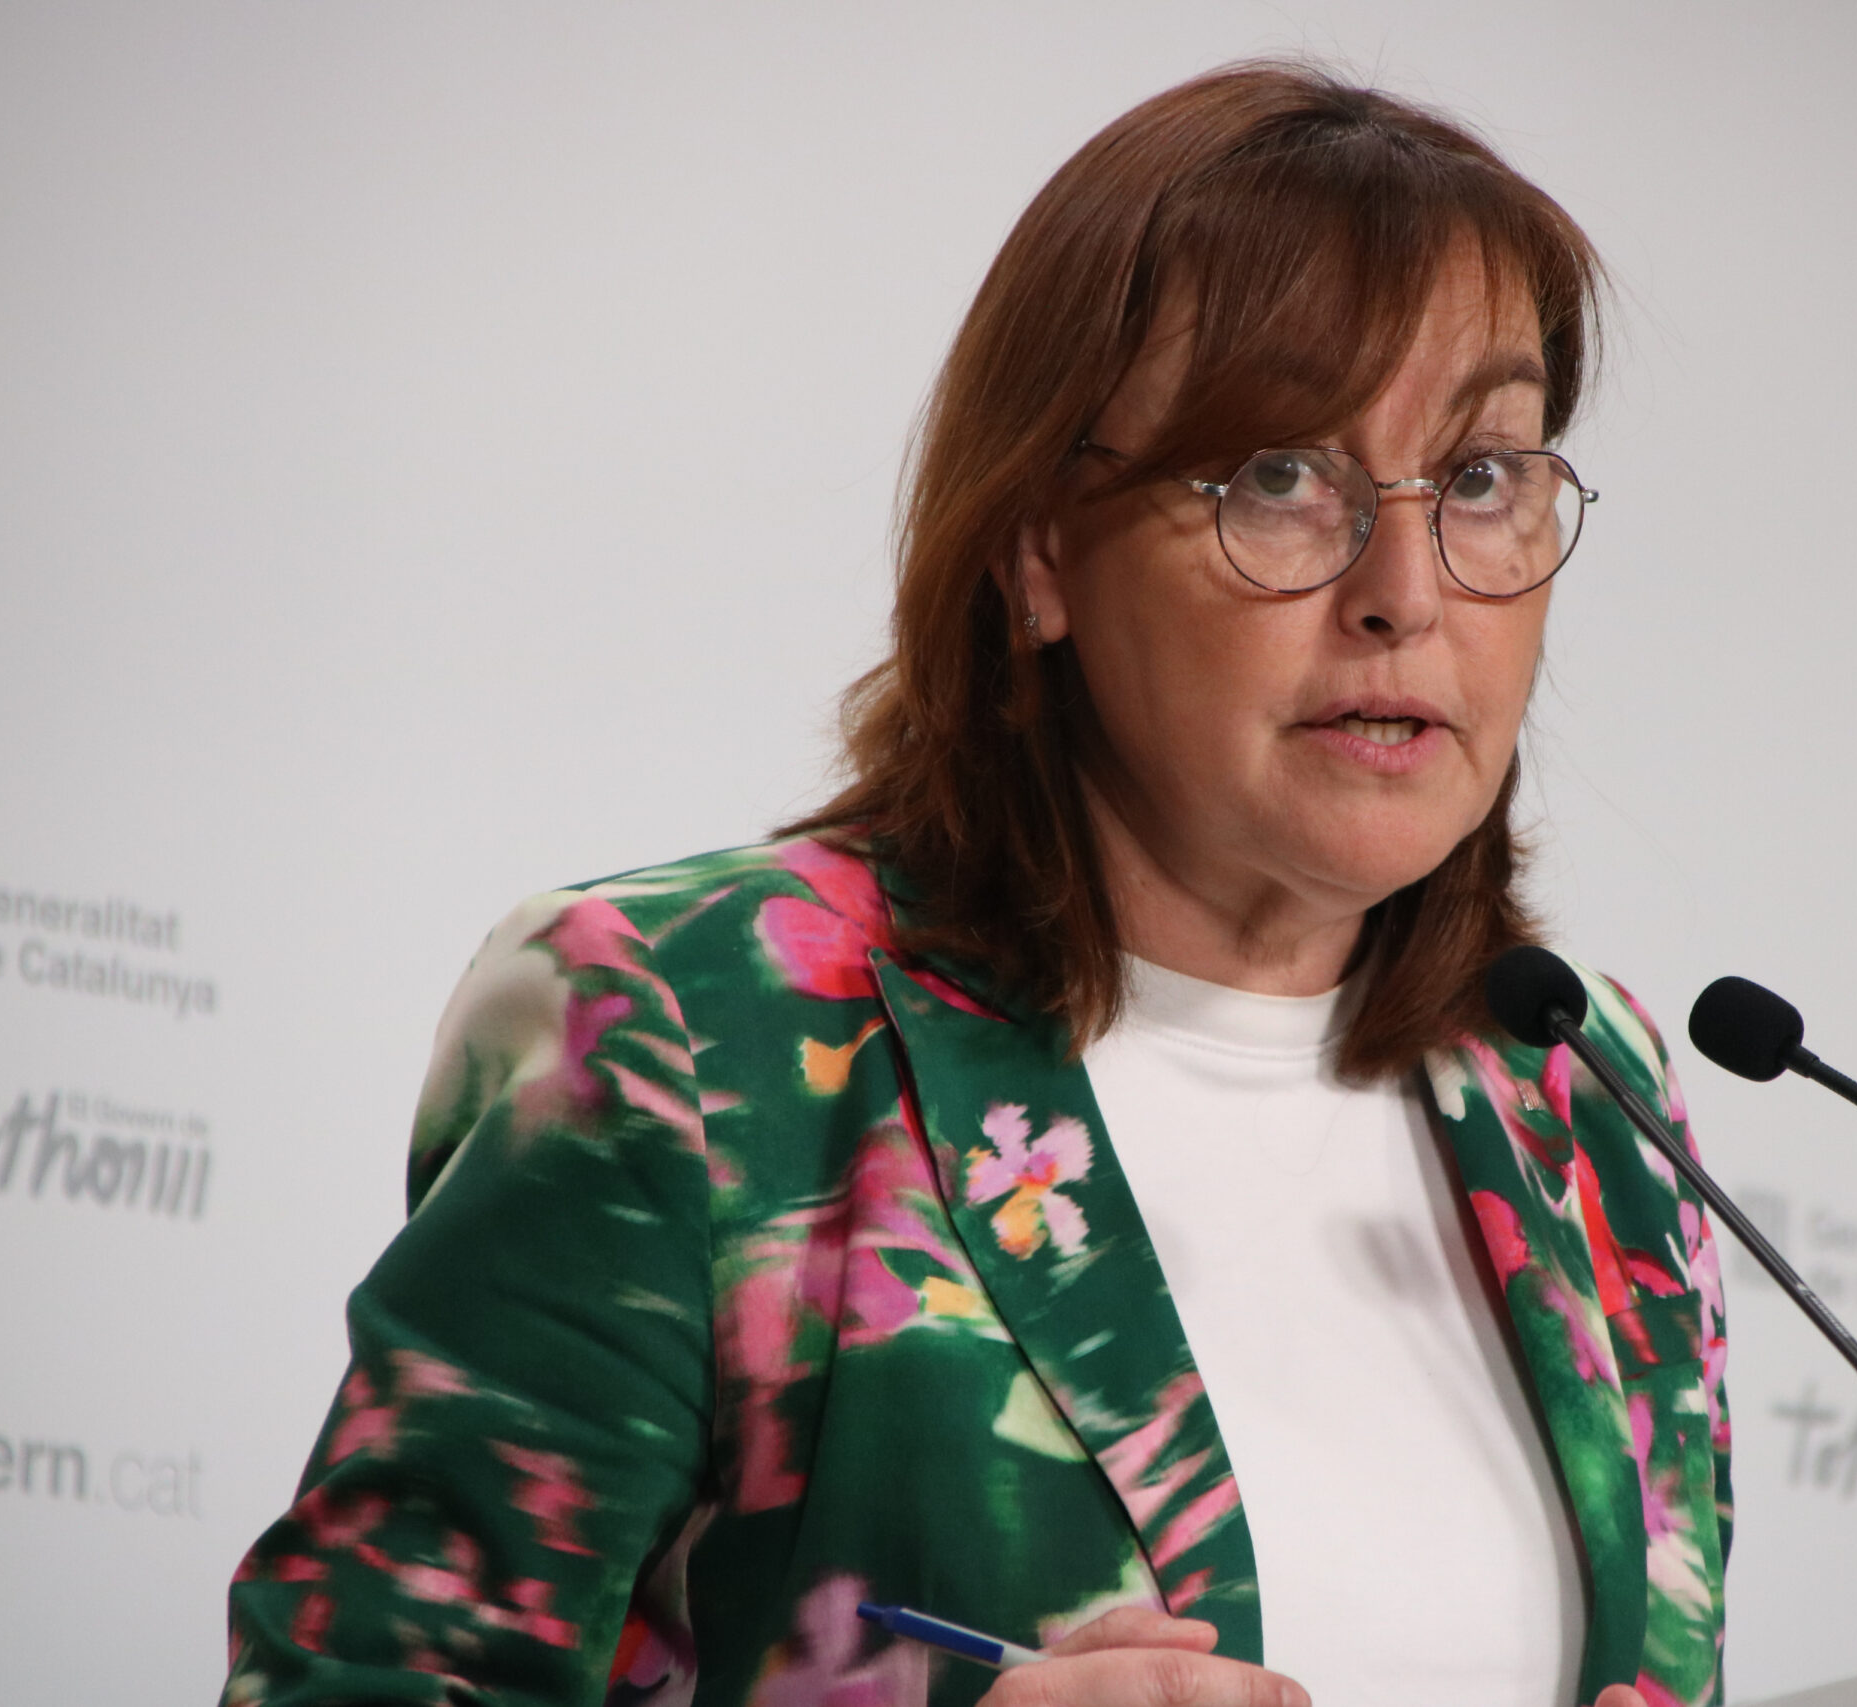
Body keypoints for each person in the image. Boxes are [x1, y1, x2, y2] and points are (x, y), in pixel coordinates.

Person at [221, 60, 1729, 1707]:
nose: (1404, 591)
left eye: (1484, 475)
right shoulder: (683, 1033)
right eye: (1283, 474)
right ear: (1041, 547)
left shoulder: (1587, 1107)